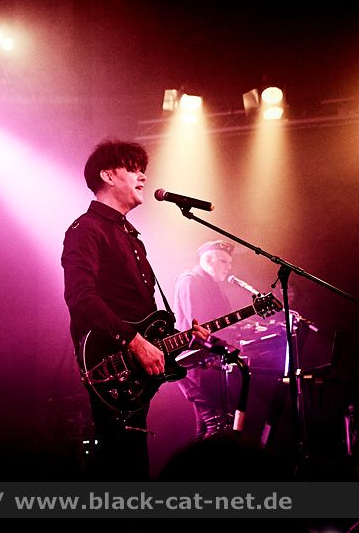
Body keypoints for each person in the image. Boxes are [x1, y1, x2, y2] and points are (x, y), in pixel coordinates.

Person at [61, 139, 208, 480]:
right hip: (110, 364)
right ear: (107, 176)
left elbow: (144, 316)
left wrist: (183, 338)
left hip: (135, 370)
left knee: (134, 462)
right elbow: (80, 297)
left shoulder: (131, 235)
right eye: (133, 169)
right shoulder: (86, 230)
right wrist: (134, 342)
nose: (143, 177)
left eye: (143, 170)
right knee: (119, 465)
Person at [173, 239, 236, 440]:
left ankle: (200, 460)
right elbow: (198, 325)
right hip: (194, 364)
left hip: (205, 363)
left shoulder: (215, 288)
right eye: (224, 261)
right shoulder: (190, 281)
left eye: (229, 262)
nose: (229, 267)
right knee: (215, 422)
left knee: (206, 425)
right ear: (207, 260)